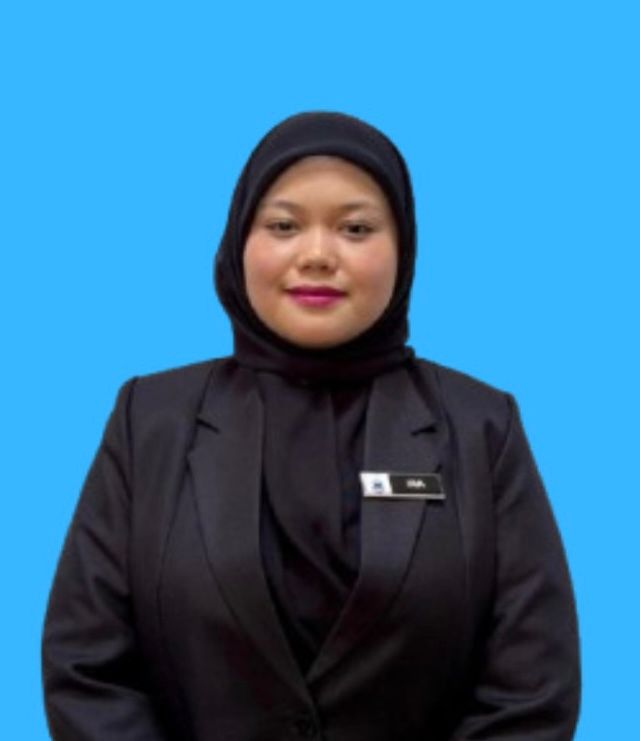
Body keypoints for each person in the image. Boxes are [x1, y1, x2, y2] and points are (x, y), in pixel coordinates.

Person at [42, 111, 581, 740]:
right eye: (283, 225)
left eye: (356, 228)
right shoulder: (150, 419)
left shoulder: (482, 426)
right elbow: (86, 668)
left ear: (403, 249)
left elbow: (532, 687)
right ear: (238, 241)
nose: (318, 255)